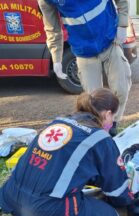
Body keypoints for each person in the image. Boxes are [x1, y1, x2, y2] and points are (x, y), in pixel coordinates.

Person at [0, 89, 134, 216]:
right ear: (107, 114)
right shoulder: (100, 138)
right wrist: (129, 197)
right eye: (113, 117)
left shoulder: (58, 122)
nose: (112, 122)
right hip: (45, 211)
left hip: (12, 198)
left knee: (69, 200)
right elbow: (116, 190)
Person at [38, 0, 132, 136]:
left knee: (121, 88)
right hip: (84, 51)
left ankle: (113, 124)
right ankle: (101, 132)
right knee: (94, 101)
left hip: (110, 40)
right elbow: (52, 27)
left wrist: (122, 24)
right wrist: (56, 58)